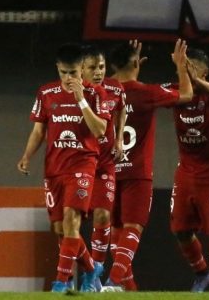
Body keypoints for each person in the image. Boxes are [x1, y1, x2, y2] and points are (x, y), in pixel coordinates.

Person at [17, 43, 110, 292]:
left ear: (82, 69)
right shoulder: (46, 93)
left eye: (73, 72)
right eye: (64, 73)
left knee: (71, 222)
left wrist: (80, 100)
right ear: (58, 69)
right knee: (59, 228)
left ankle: (60, 283)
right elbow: (39, 130)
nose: (69, 78)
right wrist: (27, 155)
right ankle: (91, 267)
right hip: (54, 168)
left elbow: (100, 129)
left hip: (82, 165)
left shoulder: (95, 94)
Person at [101, 39, 193, 292]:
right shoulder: (145, 92)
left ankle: (127, 291)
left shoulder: (102, 90)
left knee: (115, 233)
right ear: (136, 62)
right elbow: (186, 94)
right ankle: (111, 283)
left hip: (106, 171)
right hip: (136, 172)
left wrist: (126, 65)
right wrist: (180, 66)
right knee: (132, 229)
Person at [167, 48, 209, 292]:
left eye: (193, 67)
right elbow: (146, 93)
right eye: (184, 66)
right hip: (186, 173)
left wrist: (197, 81)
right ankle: (202, 273)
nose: (188, 71)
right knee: (181, 230)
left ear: (205, 71)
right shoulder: (175, 91)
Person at [81, 45, 126, 278]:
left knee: (103, 215)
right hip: (78, 164)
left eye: (102, 67)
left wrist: (118, 139)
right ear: (81, 69)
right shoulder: (73, 92)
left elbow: (121, 110)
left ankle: (95, 272)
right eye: (92, 68)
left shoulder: (114, 88)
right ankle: (69, 273)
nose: (98, 72)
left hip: (104, 164)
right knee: (69, 222)